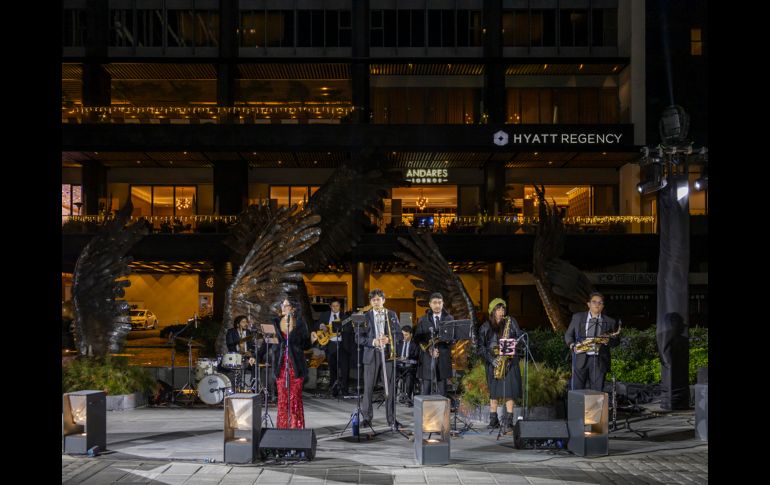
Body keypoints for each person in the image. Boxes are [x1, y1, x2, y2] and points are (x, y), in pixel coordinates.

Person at [356, 289, 402, 428]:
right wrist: (373, 341)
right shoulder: (365, 316)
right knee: (368, 388)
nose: (376, 302)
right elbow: (358, 338)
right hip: (371, 355)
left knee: (390, 388)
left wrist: (388, 339)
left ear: (384, 300)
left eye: (379, 299)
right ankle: (367, 418)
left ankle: (391, 419)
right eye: (373, 300)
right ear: (370, 302)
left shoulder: (391, 314)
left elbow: (399, 334)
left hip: (388, 355)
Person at [478, 298, 523, 434]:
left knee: (509, 392)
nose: (501, 312)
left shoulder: (511, 322)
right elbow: (480, 348)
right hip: (494, 362)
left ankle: (509, 421)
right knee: (494, 392)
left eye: (503, 309)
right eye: (498, 309)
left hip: (509, 362)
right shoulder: (485, 327)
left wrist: (514, 345)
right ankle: (494, 421)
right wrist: (492, 360)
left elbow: (520, 338)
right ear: (492, 311)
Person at [564, 292, 620, 392]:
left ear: (603, 306)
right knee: (577, 392)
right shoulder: (577, 317)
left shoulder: (610, 321)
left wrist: (608, 340)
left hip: (599, 361)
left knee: (597, 393)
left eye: (600, 302)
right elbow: (568, 335)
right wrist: (572, 345)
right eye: (594, 302)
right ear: (588, 304)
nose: (597, 304)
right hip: (580, 358)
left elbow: (616, 341)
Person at [272, 298, 311, 429]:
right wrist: (256, 356)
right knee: (282, 398)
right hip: (281, 365)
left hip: (296, 366)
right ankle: (282, 427)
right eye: (282, 304)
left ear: (293, 308)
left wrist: (312, 340)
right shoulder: (275, 322)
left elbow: (306, 345)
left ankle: (296, 427)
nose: (283, 307)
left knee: (294, 398)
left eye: (286, 305)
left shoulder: (300, 323)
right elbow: (269, 343)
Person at [413, 292, 454, 397]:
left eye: (439, 302)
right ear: (430, 304)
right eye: (435, 303)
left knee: (442, 391)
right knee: (426, 390)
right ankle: (425, 408)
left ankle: (443, 407)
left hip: (443, 358)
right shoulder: (423, 319)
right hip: (427, 358)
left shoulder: (449, 319)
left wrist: (449, 341)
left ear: (443, 303)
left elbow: (453, 338)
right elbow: (418, 339)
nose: (437, 305)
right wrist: (429, 350)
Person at [314, 299, 352, 397]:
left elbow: (349, 329)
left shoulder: (345, 317)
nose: (335, 307)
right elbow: (316, 325)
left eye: (337, 305)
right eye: (333, 306)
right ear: (330, 306)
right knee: (332, 368)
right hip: (330, 344)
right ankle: (334, 390)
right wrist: (321, 325)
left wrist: (341, 330)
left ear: (340, 306)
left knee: (345, 369)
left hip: (343, 345)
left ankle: (344, 390)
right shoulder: (325, 315)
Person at [225, 315, 258, 389]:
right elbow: (230, 345)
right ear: (237, 324)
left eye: (246, 322)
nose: (245, 323)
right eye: (243, 322)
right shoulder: (231, 332)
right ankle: (235, 387)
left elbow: (252, 346)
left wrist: (250, 352)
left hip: (247, 356)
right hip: (236, 356)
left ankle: (253, 385)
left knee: (255, 364)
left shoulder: (248, 332)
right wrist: (238, 348)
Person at [395, 325, 419, 407]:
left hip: (410, 367)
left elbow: (416, 356)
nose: (404, 336)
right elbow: (395, 355)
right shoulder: (398, 343)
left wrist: (407, 358)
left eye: (406, 335)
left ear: (411, 334)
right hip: (399, 366)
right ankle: (393, 398)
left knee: (409, 376)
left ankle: (408, 399)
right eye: (403, 334)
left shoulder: (415, 344)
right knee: (392, 374)